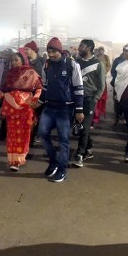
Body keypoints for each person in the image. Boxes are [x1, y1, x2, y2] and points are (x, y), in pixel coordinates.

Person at [37, 37, 84, 183]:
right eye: (49, 52)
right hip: (49, 106)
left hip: (65, 108)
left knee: (63, 140)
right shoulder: (46, 65)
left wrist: (79, 110)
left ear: (60, 50)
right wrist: (40, 101)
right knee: (42, 133)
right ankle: (54, 161)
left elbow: (78, 88)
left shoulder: (71, 64)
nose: (51, 54)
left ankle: (62, 170)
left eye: (54, 52)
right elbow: (45, 86)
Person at [0, 51, 42, 172]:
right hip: (11, 107)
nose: (14, 62)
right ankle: (13, 161)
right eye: (12, 60)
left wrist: (35, 98)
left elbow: (39, 88)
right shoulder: (9, 73)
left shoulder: (31, 72)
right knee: (11, 134)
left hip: (26, 107)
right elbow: (4, 88)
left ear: (23, 60)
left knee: (24, 134)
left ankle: (20, 158)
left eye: (16, 60)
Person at [72, 39, 105, 168]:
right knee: (80, 127)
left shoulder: (98, 64)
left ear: (89, 48)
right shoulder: (76, 62)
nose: (79, 48)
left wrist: (95, 99)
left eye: (82, 46)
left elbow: (102, 85)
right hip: (77, 99)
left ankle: (80, 154)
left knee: (84, 127)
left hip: (89, 99)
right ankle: (89, 149)